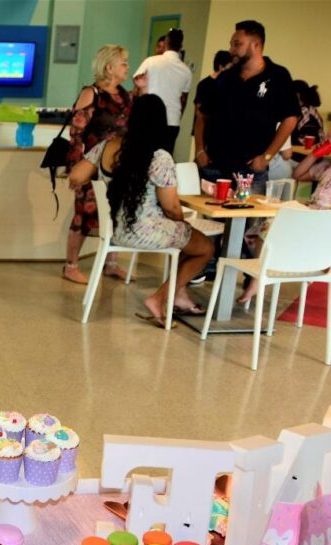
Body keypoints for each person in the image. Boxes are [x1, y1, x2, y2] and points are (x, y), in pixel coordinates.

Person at [70, 95, 214, 327]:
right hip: (146, 231)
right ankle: (159, 298)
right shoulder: (159, 156)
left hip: (116, 230)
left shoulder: (108, 146)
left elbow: (76, 176)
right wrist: (183, 225)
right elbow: (171, 207)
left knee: (188, 241)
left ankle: (177, 295)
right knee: (205, 247)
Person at [194, 20, 298, 194]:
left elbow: (290, 119)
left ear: (256, 45)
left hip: (251, 170)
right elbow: (203, 115)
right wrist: (199, 150)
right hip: (215, 166)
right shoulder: (225, 77)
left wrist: (266, 157)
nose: (231, 50)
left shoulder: (277, 76)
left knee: (249, 220)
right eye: (231, 45)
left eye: (237, 44)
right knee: (209, 220)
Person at [63, 44, 134, 285]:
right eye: (123, 63)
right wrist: (76, 168)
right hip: (91, 166)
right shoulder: (91, 93)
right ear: (109, 67)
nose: (127, 67)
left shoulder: (125, 95)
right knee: (84, 215)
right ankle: (70, 265)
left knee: (115, 214)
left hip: (117, 165)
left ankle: (111, 263)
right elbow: (77, 133)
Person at [133, 28, 192, 155]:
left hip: (149, 119)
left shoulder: (151, 61)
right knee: (164, 160)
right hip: (172, 121)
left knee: (144, 157)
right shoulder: (186, 70)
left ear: (166, 42)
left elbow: (137, 82)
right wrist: (177, 117)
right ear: (181, 46)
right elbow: (184, 99)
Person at [292, 80, 324, 145]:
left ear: (297, 94)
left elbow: (306, 146)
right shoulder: (306, 109)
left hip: (308, 154)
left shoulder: (307, 115)